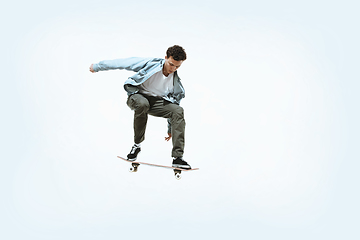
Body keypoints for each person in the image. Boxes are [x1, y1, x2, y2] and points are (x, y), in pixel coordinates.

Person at [89, 45, 191, 169]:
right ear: (165, 58)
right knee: (143, 104)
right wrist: (98, 66)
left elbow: (175, 105)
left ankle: (178, 158)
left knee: (178, 110)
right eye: (171, 64)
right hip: (137, 97)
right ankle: (136, 146)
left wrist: (171, 129)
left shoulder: (176, 84)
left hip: (156, 103)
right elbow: (124, 63)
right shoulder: (151, 63)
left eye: (177, 66)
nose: (173, 69)